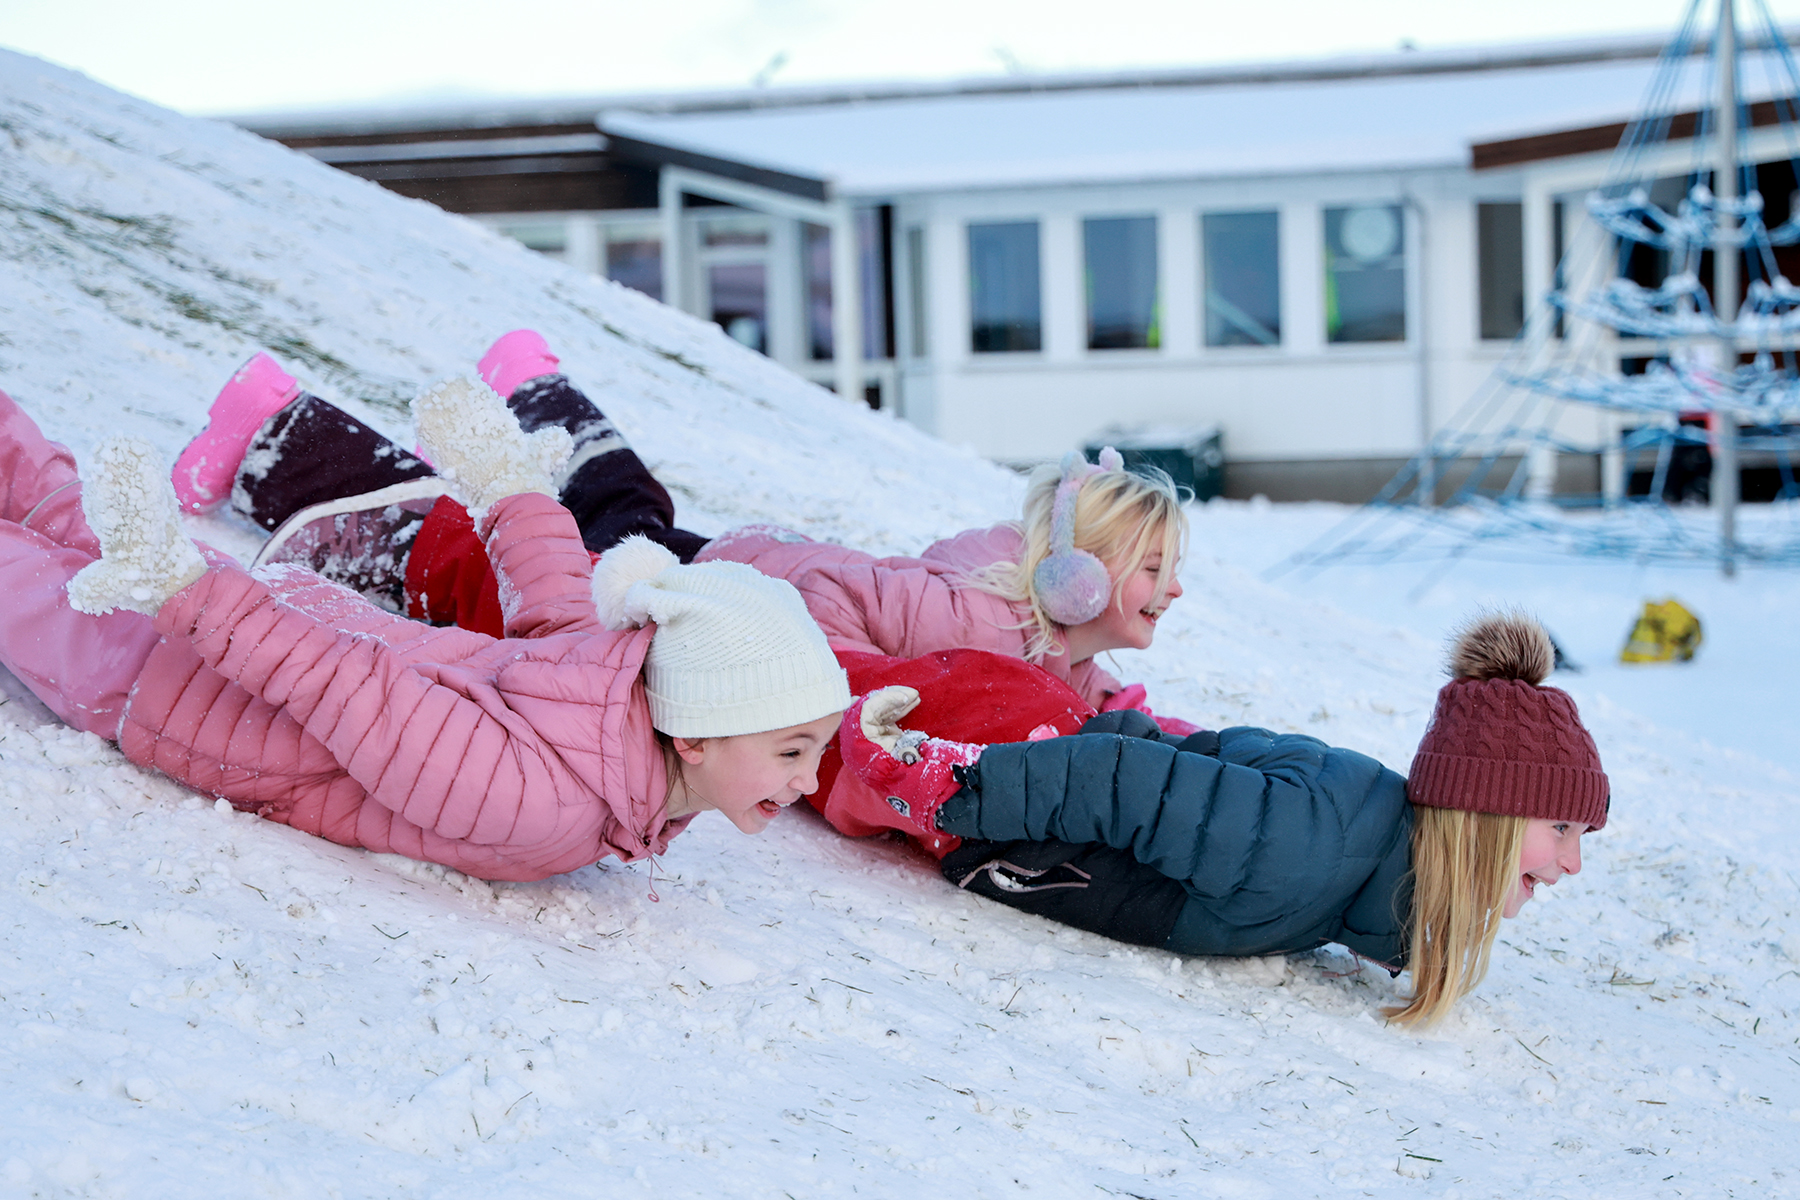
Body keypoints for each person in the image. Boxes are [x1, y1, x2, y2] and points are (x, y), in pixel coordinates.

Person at [168, 331, 1196, 854]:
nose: (1174, 589)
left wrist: (1149, 731)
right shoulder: (969, 615)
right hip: (716, 610)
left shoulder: (1046, 640)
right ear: (1079, 573)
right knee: (507, 558)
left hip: (722, 607)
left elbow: (1077, 694)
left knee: (605, 504)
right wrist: (798, 683)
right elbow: (824, 605)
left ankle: (528, 391)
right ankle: (280, 437)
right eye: (1153, 567)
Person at [0, 381, 850, 883]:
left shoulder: (610, 728)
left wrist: (512, 488)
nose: (810, 780)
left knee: (57, 520)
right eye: (790, 749)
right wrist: (186, 592)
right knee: (46, 533)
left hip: (227, 633)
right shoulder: (542, 802)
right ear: (696, 735)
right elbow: (350, 689)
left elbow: (556, 606)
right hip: (180, 687)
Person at [835, 612, 1609, 1027]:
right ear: (1484, 822)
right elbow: (1123, 779)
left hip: (1022, 778)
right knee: (795, 705)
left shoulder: (1361, 851)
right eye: (1562, 831)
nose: (1571, 863)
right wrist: (954, 787)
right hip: (994, 761)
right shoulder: (1310, 847)